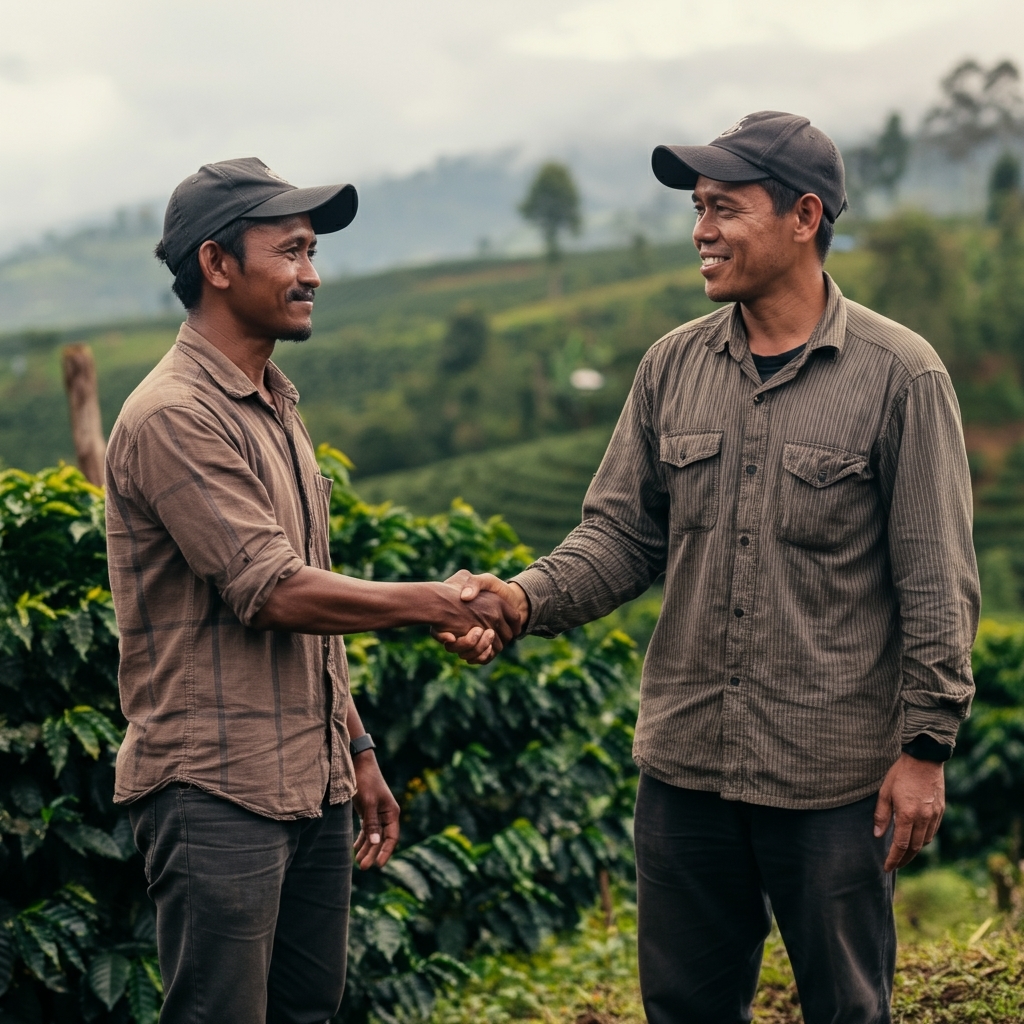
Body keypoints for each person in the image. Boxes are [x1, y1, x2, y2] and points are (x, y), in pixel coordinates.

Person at [439, 112, 980, 1024]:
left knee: (848, 1007)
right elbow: (620, 536)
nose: (701, 229)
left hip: (831, 780)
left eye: (724, 207)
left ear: (804, 216)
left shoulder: (901, 377)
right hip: (687, 770)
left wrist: (925, 748)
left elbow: (937, 579)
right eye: (698, 208)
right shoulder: (670, 368)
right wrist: (522, 598)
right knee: (685, 1007)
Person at [104, 157, 515, 1024]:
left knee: (306, 1013)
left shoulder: (274, 404)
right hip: (217, 790)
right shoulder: (175, 413)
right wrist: (440, 602)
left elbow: (307, 626)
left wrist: (356, 750)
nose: (312, 274)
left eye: (312, 251)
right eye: (291, 250)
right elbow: (275, 593)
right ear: (217, 264)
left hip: (313, 784)